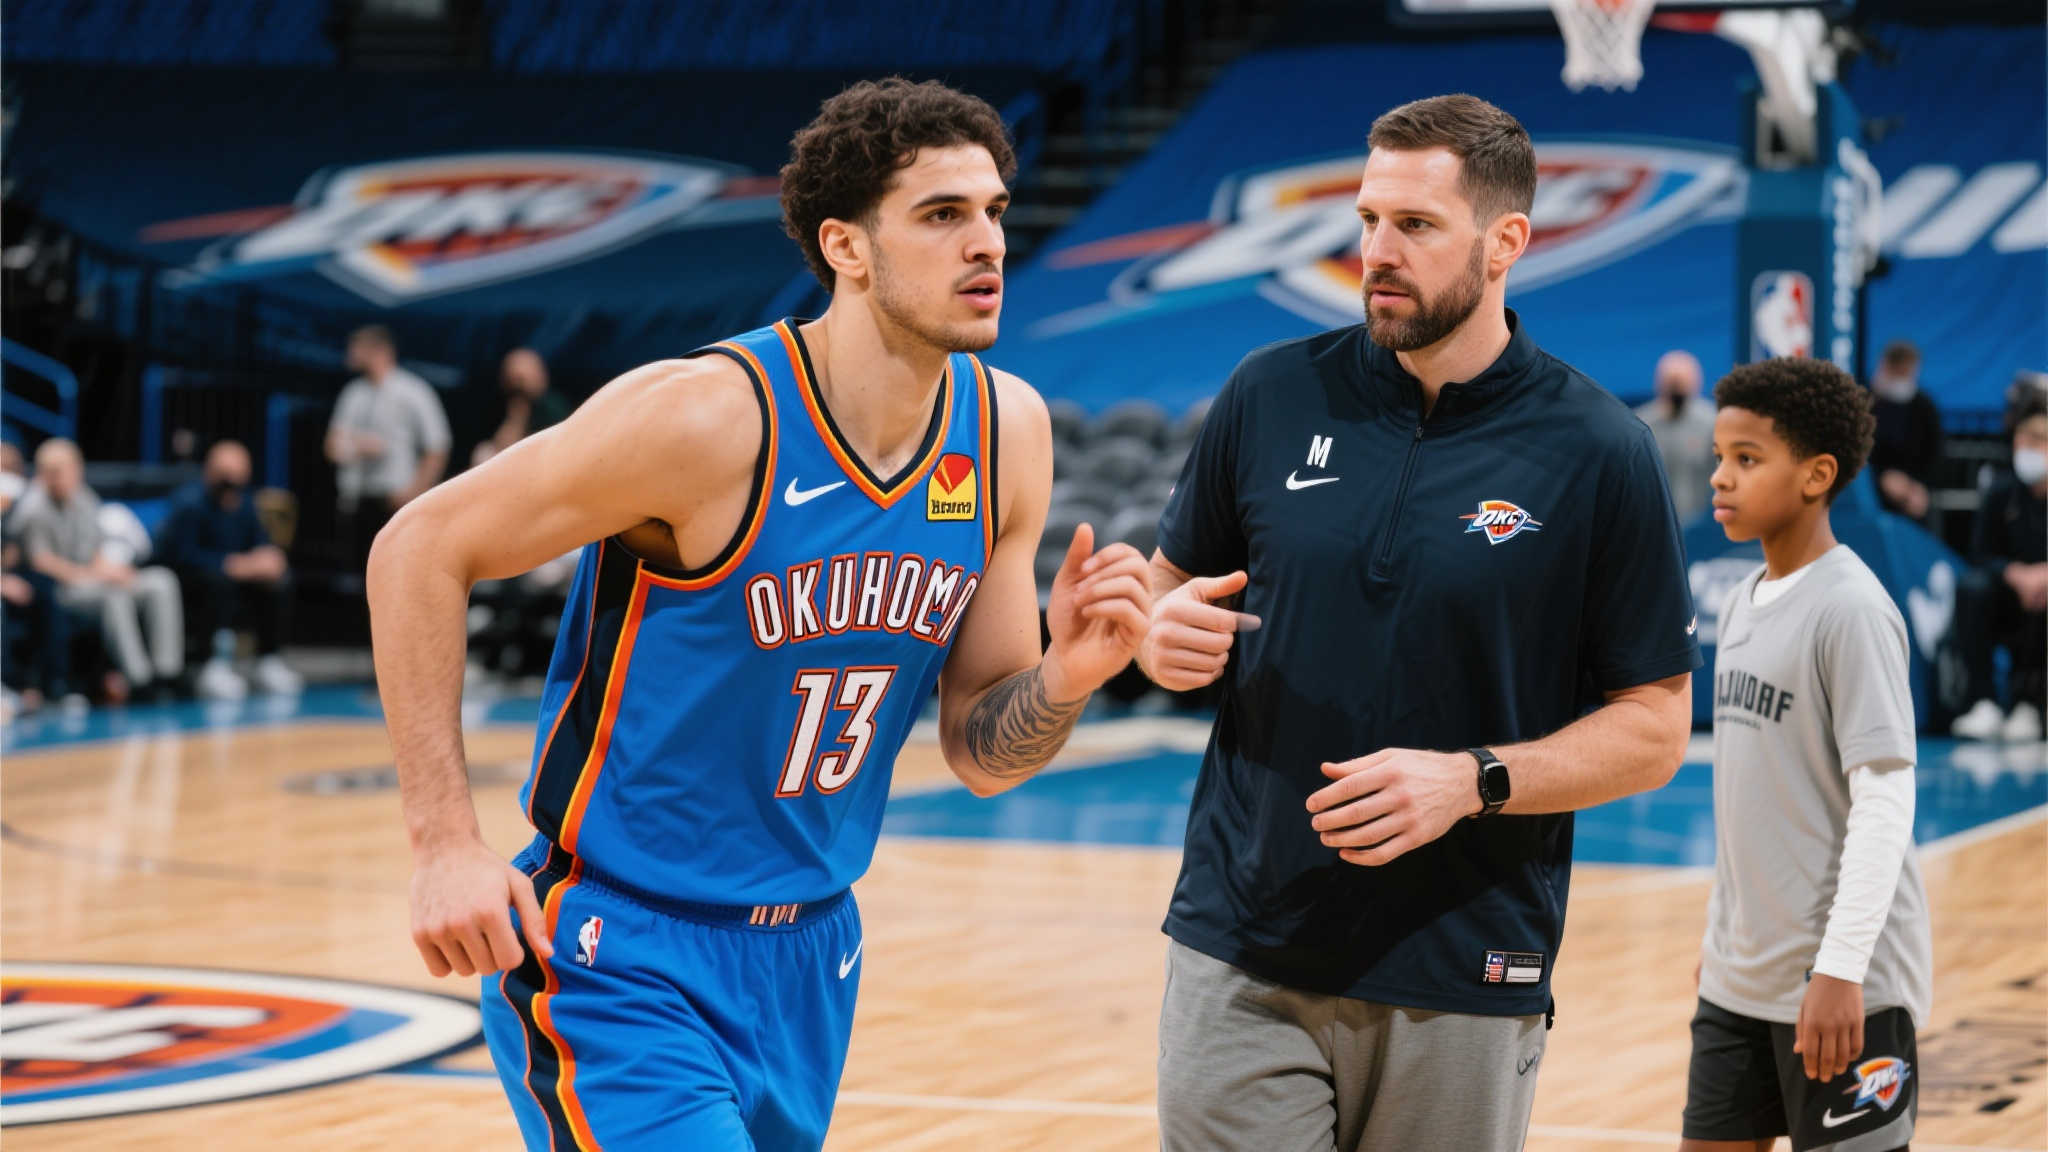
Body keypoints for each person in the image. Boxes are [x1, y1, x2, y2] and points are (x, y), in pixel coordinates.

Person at [368, 77, 1151, 1151]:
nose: (987, 244)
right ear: (845, 246)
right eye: (941, 214)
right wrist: (444, 844)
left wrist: (1065, 675)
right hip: (619, 953)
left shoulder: (1005, 431)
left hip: (810, 960)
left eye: (993, 211)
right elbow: (417, 547)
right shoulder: (707, 419)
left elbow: (981, 753)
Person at [1139, 93, 1698, 1152]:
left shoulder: (1598, 451)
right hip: (1240, 946)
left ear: (1505, 243)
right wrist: (1155, 634)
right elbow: (1169, 588)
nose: (1375, 253)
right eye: (1366, 220)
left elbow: (1655, 728)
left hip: (1461, 968)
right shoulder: (1269, 394)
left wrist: (1470, 780)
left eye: (1414, 225)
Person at [1684, 356, 1931, 1152]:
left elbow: (1885, 802)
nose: (1721, 477)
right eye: (1719, 456)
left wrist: (1842, 968)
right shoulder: (1742, 601)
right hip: (1740, 979)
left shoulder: (1851, 608)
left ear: (1818, 475)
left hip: (1845, 982)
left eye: (1746, 458)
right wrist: (1723, 945)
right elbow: (1747, 804)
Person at [14, 439, 183, 701]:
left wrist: (116, 571)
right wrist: (94, 575)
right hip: (63, 589)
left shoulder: (85, 498)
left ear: (77, 469)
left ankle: (167, 673)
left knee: (161, 581)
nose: (56, 478)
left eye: (61, 471)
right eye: (49, 472)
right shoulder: (34, 509)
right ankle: (140, 679)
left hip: (94, 578)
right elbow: (42, 562)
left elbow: (96, 549)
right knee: (115, 597)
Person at [154, 440, 302, 700]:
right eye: (225, 476)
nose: (231, 484)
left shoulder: (245, 504)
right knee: (217, 581)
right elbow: (181, 556)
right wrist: (230, 564)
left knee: (278, 582)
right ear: (210, 472)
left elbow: (260, 543)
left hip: (237, 578)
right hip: (192, 582)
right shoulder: (190, 504)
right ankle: (211, 665)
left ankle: (268, 660)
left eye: (237, 476)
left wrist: (268, 559)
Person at [1950, 380, 2046, 743]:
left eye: (2037, 444)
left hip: (2043, 597)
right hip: (2008, 594)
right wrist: (2015, 574)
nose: (2027, 453)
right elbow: (1980, 553)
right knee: (1971, 589)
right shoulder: (2002, 491)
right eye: (2022, 444)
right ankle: (1983, 701)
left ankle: (2031, 704)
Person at [326, 325, 450, 574]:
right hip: (358, 502)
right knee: (359, 575)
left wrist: (414, 493)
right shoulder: (353, 394)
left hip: (397, 501)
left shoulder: (412, 391)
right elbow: (332, 445)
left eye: (358, 347)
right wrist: (359, 445)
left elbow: (438, 446)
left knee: (398, 573)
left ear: (380, 351)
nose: (351, 353)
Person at [1637, 350, 1717, 523]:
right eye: (1672, 383)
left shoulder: (1713, 424)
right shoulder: (1642, 426)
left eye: (1681, 383)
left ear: (1696, 383)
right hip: (1655, 523)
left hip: (1701, 526)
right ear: (1659, 383)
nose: (1677, 391)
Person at [1866, 340, 1940, 523]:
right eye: (1898, 372)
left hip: (1916, 495)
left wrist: (1918, 487)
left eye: (1907, 372)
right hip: (1873, 494)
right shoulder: (1868, 404)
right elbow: (1859, 454)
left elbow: (1935, 454)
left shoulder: (1925, 406)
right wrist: (1881, 479)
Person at [474, 347, 571, 467]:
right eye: (514, 377)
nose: (518, 384)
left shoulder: (553, 405)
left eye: (523, 378)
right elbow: (503, 446)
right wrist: (518, 411)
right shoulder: (498, 403)